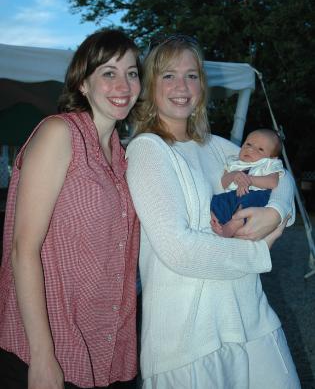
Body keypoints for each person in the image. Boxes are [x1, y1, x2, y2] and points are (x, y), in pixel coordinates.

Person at [126, 34, 300, 388]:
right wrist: (258, 250)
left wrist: (277, 213)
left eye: (192, 75)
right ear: (150, 84)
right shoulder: (147, 150)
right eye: (168, 75)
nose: (182, 86)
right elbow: (179, 250)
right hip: (189, 339)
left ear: (202, 86)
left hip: (251, 320)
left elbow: (278, 173)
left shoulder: (219, 147)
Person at [0, 29, 141, 389]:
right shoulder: (59, 134)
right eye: (108, 73)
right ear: (82, 84)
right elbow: (22, 250)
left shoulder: (123, 156)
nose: (123, 84)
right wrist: (43, 357)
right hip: (52, 346)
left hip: (108, 345)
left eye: (132, 72)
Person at [210, 128, 285, 237]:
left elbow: (273, 182)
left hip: (256, 194)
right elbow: (223, 182)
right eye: (248, 144)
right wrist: (234, 175)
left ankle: (231, 227)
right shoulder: (234, 162)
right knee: (217, 200)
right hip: (233, 195)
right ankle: (216, 221)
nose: (250, 149)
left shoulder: (269, 164)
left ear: (272, 157)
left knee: (249, 202)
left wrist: (249, 180)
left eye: (260, 149)